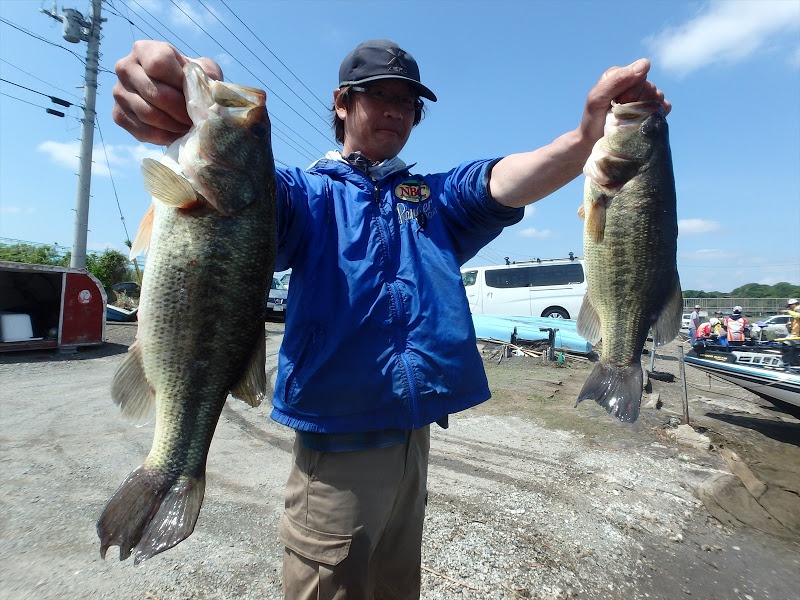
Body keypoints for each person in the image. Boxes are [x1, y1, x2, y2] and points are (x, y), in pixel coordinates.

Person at [111, 38, 669, 599]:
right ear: (341, 103)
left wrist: (583, 140)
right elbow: (237, 195)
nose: (397, 111)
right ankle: (173, 468)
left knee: (395, 589)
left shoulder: (432, 198)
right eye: (379, 95)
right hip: (335, 451)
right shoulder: (303, 194)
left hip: (414, 440)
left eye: (409, 103)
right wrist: (179, 98)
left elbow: (504, 179)